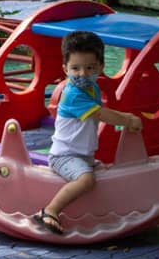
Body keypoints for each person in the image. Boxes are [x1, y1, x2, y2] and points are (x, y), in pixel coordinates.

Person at [32, 30, 142, 234]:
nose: (82, 74)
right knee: (86, 180)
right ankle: (49, 210)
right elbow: (100, 114)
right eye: (75, 68)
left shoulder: (92, 88)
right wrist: (127, 120)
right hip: (64, 156)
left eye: (90, 68)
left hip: (83, 155)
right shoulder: (74, 94)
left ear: (101, 67)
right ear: (65, 68)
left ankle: (101, 212)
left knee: (105, 175)